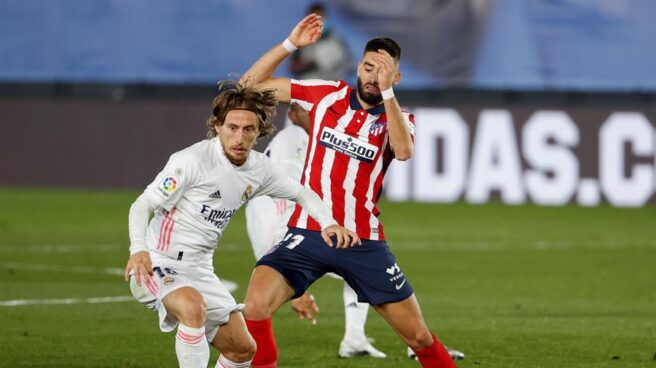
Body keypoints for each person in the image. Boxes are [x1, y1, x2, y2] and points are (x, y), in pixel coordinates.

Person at [240, 14, 458, 367]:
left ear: (396, 78)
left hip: (363, 242)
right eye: (370, 67)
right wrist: (291, 44)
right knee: (255, 304)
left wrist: (387, 93)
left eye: (384, 72)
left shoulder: (399, 119)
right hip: (307, 233)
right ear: (359, 66)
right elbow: (250, 84)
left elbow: (403, 151)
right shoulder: (326, 94)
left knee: (418, 336)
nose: (374, 77)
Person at [123, 81, 359, 368]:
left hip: (200, 270)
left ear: (260, 132)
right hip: (157, 263)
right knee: (192, 307)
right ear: (218, 126)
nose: (239, 137)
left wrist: (328, 223)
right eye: (232, 127)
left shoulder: (259, 169)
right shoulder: (190, 161)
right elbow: (142, 205)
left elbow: (302, 194)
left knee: (243, 350)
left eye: (248, 129)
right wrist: (139, 250)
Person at [244, 103, 386, 358]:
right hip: (277, 222)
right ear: (294, 115)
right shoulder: (295, 137)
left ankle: (354, 338)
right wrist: (284, 246)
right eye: (307, 110)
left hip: (275, 222)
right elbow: (283, 194)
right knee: (358, 260)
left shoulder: (307, 139)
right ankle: (237, 343)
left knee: (355, 264)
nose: (316, 114)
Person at [288, 3, 353, 81]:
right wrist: (309, 65)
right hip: (309, 85)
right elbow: (293, 67)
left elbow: (350, 64)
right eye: (315, 18)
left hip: (333, 86)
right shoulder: (300, 41)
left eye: (322, 17)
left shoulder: (337, 39)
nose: (319, 21)